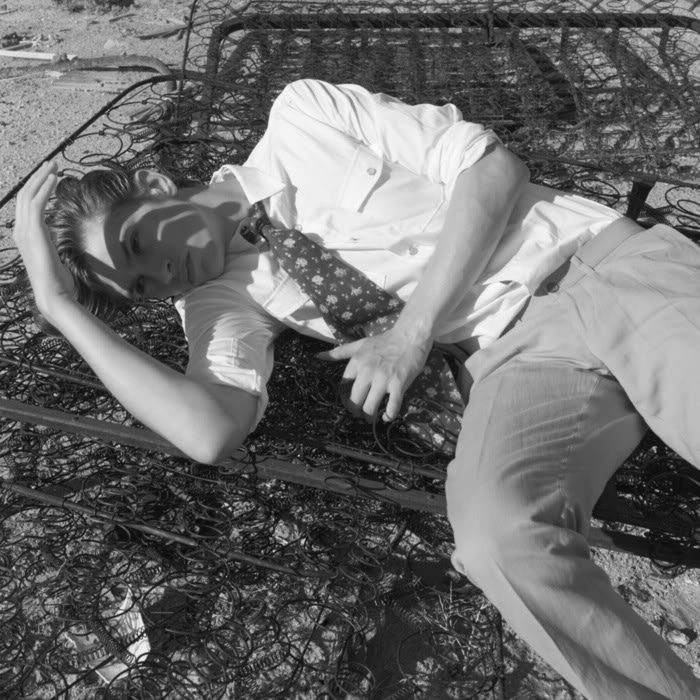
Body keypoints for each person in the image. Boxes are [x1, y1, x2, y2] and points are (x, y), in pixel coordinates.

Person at [13, 79, 700, 699]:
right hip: (517, 362)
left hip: (596, 267)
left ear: (155, 184)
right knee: (496, 535)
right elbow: (209, 431)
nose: (162, 274)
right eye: (141, 286)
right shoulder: (219, 300)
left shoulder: (303, 117)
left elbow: (492, 170)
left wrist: (410, 336)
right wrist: (60, 308)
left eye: (137, 243)